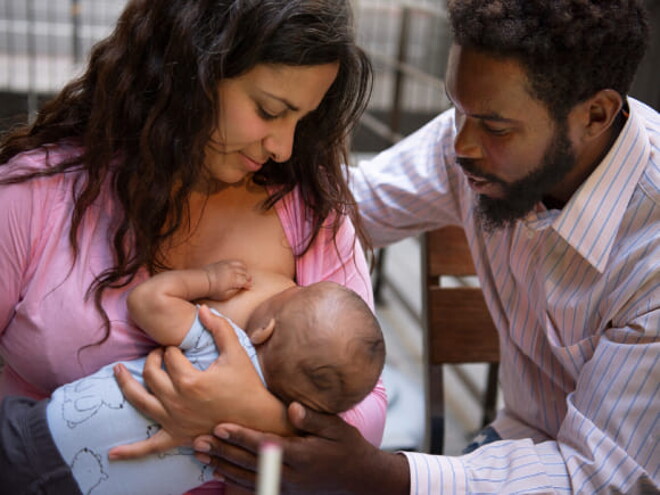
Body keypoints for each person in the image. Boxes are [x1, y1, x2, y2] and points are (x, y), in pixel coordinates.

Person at [110, 0, 659, 493]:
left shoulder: (650, 248)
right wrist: (213, 167)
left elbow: (602, 476)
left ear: (596, 115)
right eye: (456, 109)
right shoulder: (473, 146)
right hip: (505, 448)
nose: (460, 144)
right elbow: (343, 205)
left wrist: (379, 473)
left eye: (493, 126)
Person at [0, 0, 387, 493]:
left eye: (302, 119)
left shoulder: (310, 216)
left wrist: (247, 411)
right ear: (191, 75)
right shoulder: (36, 196)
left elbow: (368, 409)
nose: (284, 148)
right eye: (270, 110)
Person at [45, 259, 384, 495]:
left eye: (285, 294)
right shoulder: (251, 445)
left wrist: (208, 279)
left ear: (265, 330)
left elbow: (147, 301)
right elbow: (247, 487)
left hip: (42, 435)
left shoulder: (224, 342)